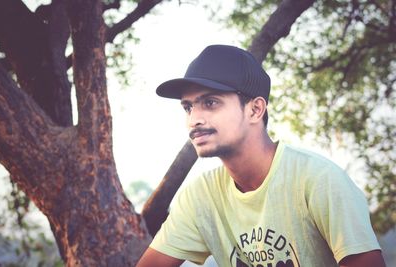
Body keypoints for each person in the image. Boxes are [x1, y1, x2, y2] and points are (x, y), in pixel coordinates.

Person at [136, 45, 386, 267]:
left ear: (255, 109)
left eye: (210, 103)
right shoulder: (201, 196)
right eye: (188, 107)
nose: (194, 119)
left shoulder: (318, 179)